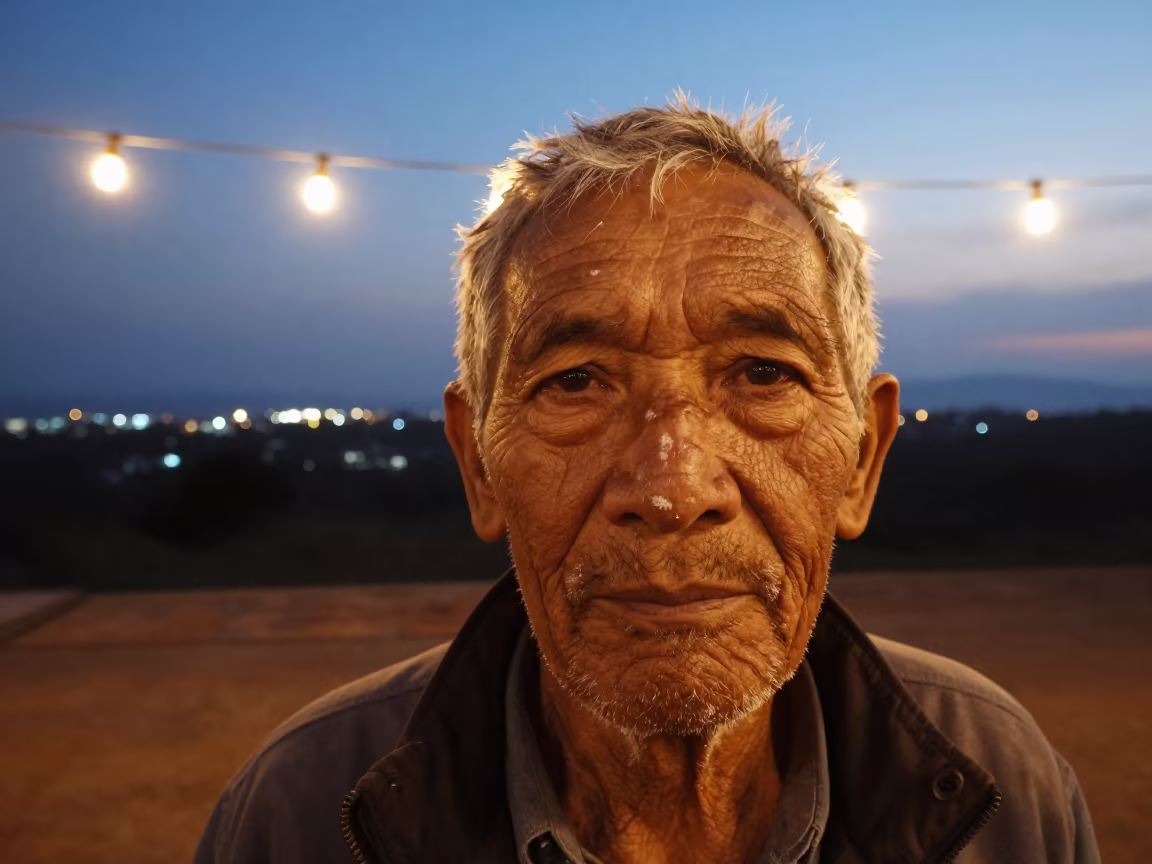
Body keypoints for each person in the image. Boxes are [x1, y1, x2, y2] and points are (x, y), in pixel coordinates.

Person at [195, 97, 1099, 864]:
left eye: (762, 373)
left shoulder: (1004, 787)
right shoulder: (301, 813)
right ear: (478, 463)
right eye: (577, 381)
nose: (672, 489)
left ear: (863, 458)